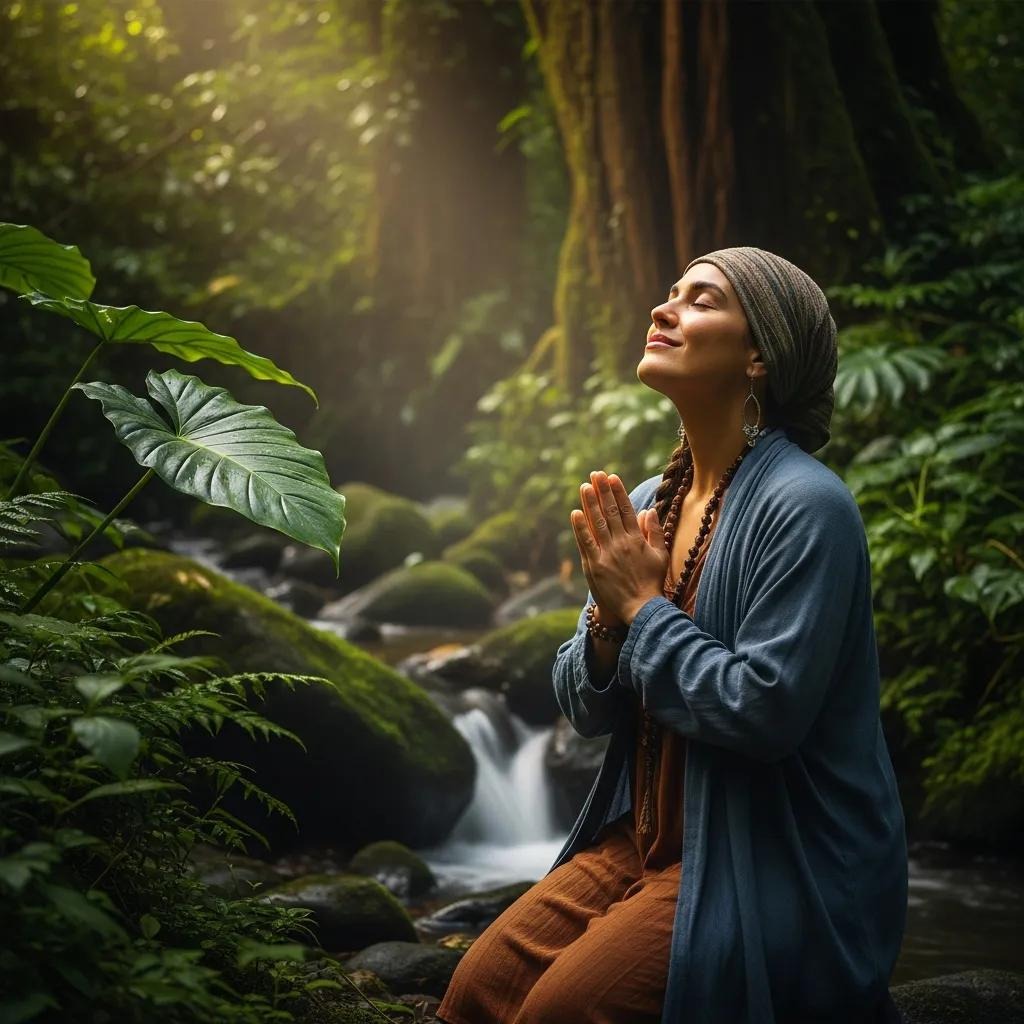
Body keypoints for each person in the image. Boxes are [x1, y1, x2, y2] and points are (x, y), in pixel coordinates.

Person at [435, 246, 908, 1024]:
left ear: (759, 355)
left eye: (701, 299)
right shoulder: (657, 496)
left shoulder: (808, 508)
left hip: (772, 859)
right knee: (476, 991)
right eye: (670, 293)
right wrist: (606, 618)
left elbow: (765, 713)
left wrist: (643, 608)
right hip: (649, 838)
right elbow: (583, 708)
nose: (663, 309)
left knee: (564, 1010)